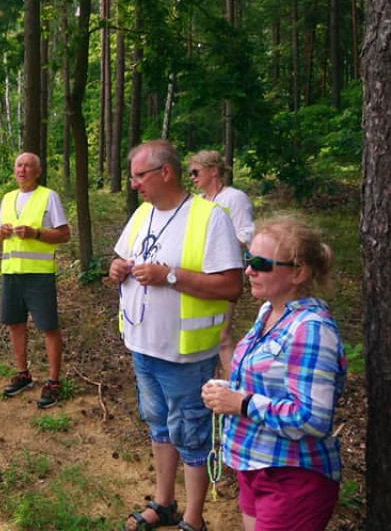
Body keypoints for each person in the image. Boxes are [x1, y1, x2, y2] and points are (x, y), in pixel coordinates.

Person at [108, 139, 243, 531]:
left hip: (184, 355)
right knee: (159, 426)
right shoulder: (141, 216)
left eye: (139, 176)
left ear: (165, 172)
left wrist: (171, 276)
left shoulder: (209, 218)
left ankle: (194, 518)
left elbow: (231, 286)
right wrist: (117, 268)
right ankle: (165, 503)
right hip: (142, 346)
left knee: (191, 433)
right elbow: (121, 258)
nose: (134, 184)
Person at [202, 217, 346, 531]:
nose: (249, 270)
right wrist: (228, 391)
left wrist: (240, 402)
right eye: (248, 259)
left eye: (260, 263)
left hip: (292, 477)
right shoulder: (269, 311)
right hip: (255, 466)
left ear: (299, 272)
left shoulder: (311, 330)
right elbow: (271, 384)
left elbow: (314, 418)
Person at [0, 152, 71, 409]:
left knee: (48, 327)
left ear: (38, 171)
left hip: (39, 275)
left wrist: (36, 233)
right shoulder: (7, 198)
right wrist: (1, 233)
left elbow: (64, 235)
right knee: (15, 324)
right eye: (19, 165)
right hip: (11, 273)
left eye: (28, 166)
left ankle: (53, 381)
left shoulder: (49, 196)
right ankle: (23, 374)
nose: (22, 170)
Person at [188, 150, 255, 378]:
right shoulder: (196, 203)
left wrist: (221, 246)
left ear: (214, 170)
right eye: (190, 174)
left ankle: (236, 388)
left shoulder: (234, 198)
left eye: (196, 172)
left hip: (224, 276)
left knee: (222, 337)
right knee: (205, 338)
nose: (192, 177)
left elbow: (247, 233)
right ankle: (212, 385)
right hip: (199, 278)